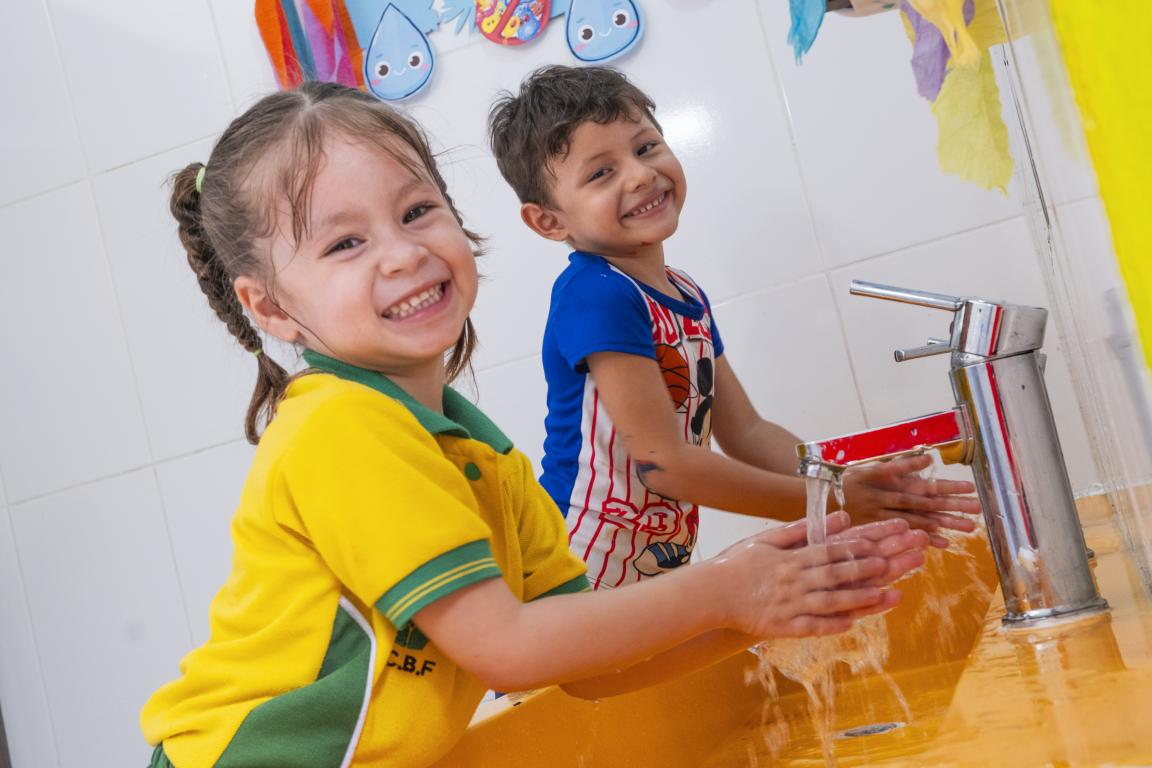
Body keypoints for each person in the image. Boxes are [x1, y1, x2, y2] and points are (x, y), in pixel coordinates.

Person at [140, 81, 930, 768]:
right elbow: (507, 648)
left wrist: (769, 605)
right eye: (346, 242)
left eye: (417, 211)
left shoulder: (478, 454)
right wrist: (727, 588)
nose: (403, 254)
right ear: (272, 308)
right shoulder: (341, 427)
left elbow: (584, 667)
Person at [488, 65, 980, 590]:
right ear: (550, 221)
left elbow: (747, 432)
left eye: (646, 147)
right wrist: (835, 502)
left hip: (646, 567)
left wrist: (843, 480)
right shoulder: (597, 294)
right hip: (577, 567)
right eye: (601, 173)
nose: (640, 175)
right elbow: (666, 465)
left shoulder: (684, 294)